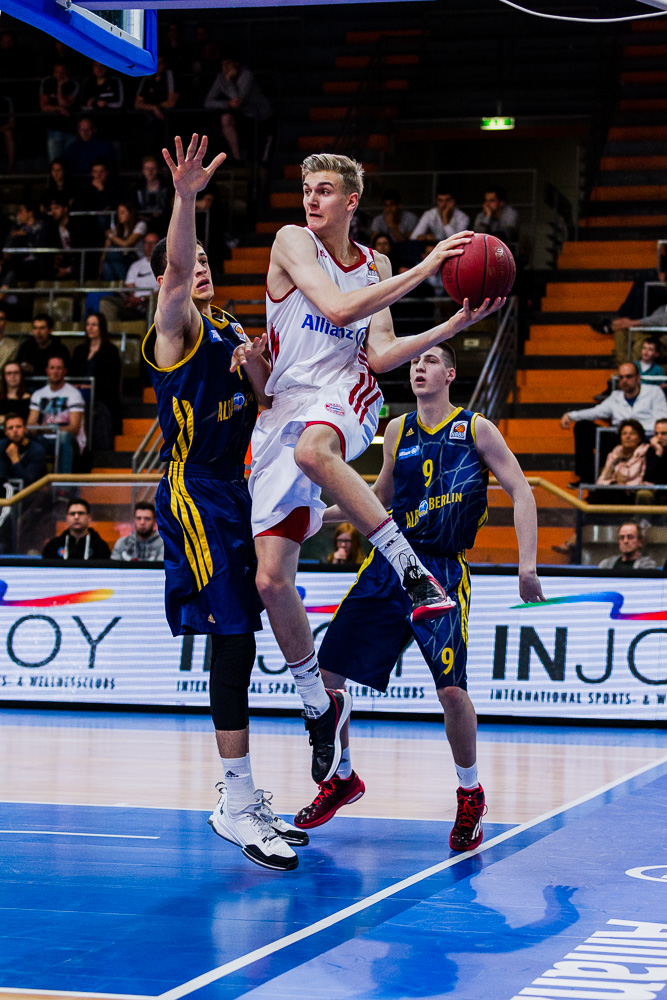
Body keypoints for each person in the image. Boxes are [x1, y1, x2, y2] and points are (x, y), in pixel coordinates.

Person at [246, 151, 504, 792]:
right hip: (282, 408)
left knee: (316, 451)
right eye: (307, 188)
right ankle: (317, 702)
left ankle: (411, 572)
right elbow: (335, 308)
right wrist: (427, 269)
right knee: (272, 582)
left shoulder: (377, 265)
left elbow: (382, 354)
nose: (312, 199)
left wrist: (452, 323)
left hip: (344, 397)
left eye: (325, 190)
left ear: (352, 201)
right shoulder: (291, 242)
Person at [293, 342, 544, 849]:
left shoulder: (475, 428)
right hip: (391, 563)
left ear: (451, 373)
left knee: (452, 691)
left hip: (444, 571)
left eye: (430, 361)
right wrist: (316, 514)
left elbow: (522, 490)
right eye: (414, 362)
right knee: (328, 671)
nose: (419, 367)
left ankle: (470, 793)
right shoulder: (397, 429)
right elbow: (380, 499)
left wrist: (528, 563)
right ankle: (342, 776)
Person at [143, 133, 306, 872]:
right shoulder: (173, 327)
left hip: (236, 488)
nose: (199, 268)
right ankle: (235, 800)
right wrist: (184, 200)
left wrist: (260, 368)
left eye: (209, 261)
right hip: (192, 488)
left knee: (242, 639)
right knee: (234, 635)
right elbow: (176, 267)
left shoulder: (234, 331)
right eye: (191, 263)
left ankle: (238, 791)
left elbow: (267, 403)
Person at [560, 362, 667, 486]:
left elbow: (663, 419)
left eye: (628, 376)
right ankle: (586, 478)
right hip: (620, 439)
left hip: (646, 439)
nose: (624, 380)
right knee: (583, 426)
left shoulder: (653, 392)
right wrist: (570, 415)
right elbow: (596, 411)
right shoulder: (615, 396)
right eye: (621, 377)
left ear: (638, 378)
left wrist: (643, 434)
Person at [204, 56, 274, 165]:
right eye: (223, 64)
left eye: (228, 64)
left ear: (235, 64)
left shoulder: (246, 75)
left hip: (261, 118)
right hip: (244, 117)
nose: (225, 67)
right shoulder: (221, 78)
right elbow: (208, 102)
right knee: (226, 119)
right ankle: (238, 159)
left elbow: (238, 101)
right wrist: (226, 104)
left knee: (261, 162)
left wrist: (229, 81)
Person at [70, 312, 122, 446]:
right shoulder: (79, 350)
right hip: (78, 394)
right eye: (87, 325)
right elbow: (72, 374)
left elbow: (111, 380)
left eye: (94, 325)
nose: (90, 328)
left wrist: (91, 387)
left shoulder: (110, 350)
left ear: (102, 327)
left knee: (98, 410)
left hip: (102, 396)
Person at [27, 355, 86, 473]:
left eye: (59, 368)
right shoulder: (38, 394)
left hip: (70, 440)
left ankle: (62, 486)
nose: (55, 371)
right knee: (27, 439)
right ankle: (33, 485)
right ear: (47, 371)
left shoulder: (74, 394)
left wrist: (46, 428)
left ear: (65, 371)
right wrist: (37, 429)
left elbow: (74, 428)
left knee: (62, 437)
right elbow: (30, 425)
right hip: (45, 439)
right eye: (52, 368)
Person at [100, 231, 160, 322]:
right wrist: (133, 299)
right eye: (146, 243)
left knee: (155, 304)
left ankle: (151, 335)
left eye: (153, 243)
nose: (149, 246)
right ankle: (109, 335)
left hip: (151, 301)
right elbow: (130, 287)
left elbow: (163, 290)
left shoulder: (165, 266)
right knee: (106, 301)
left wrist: (143, 299)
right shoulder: (135, 265)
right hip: (134, 302)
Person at [590, 418, 648, 504]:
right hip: (614, 491)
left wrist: (624, 485)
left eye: (632, 434)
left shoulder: (645, 454)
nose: (627, 437)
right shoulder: (614, 454)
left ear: (639, 438)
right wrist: (614, 483)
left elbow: (643, 481)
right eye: (624, 434)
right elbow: (601, 480)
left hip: (633, 493)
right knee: (595, 495)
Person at [42, 498, 111, 560]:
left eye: (81, 513)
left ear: (89, 518)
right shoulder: (53, 546)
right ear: (67, 518)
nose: (76, 517)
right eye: (72, 514)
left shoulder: (100, 547)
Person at [39, 59, 79, 163]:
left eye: (62, 72)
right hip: (53, 129)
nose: (60, 75)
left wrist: (60, 86)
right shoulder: (46, 82)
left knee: (70, 163)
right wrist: (60, 109)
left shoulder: (73, 84)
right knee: (55, 163)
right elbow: (44, 107)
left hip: (70, 129)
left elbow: (65, 104)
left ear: (67, 72)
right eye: (57, 72)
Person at [100, 202, 147, 281]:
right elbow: (106, 249)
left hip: (136, 259)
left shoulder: (140, 225)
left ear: (130, 213)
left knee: (112, 253)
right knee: (107, 265)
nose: (119, 215)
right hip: (122, 260)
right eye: (118, 213)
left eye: (122, 212)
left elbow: (127, 244)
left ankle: (124, 284)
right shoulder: (117, 228)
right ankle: (115, 289)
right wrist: (100, 264)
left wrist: (111, 236)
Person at [0, 412, 47, 485]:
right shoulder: (2, 446)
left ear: (25, 429)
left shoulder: (37, 451)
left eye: (18, 427)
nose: (15, 430)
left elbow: (27, 482)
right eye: (10, 428)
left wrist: (15, 460)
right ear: (6, 432)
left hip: (32, 493)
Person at [473, 186, 519, 251]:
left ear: (501, 202)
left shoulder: (510, 213)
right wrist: (488, 217)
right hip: (484, 249)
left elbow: (506, 235)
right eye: (486, 201)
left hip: (507, 250)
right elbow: (478, 236)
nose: (487, 205)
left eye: (491, 201)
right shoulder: (481, 215)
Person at [136, 155, 170, 233]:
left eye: (153, 168)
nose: (150, 172)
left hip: (163, 219)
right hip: (144, 219)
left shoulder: (166, 186)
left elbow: (169, 204)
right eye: (147, 169)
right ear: (143, 170)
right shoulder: (138, 187)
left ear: (157, 169)